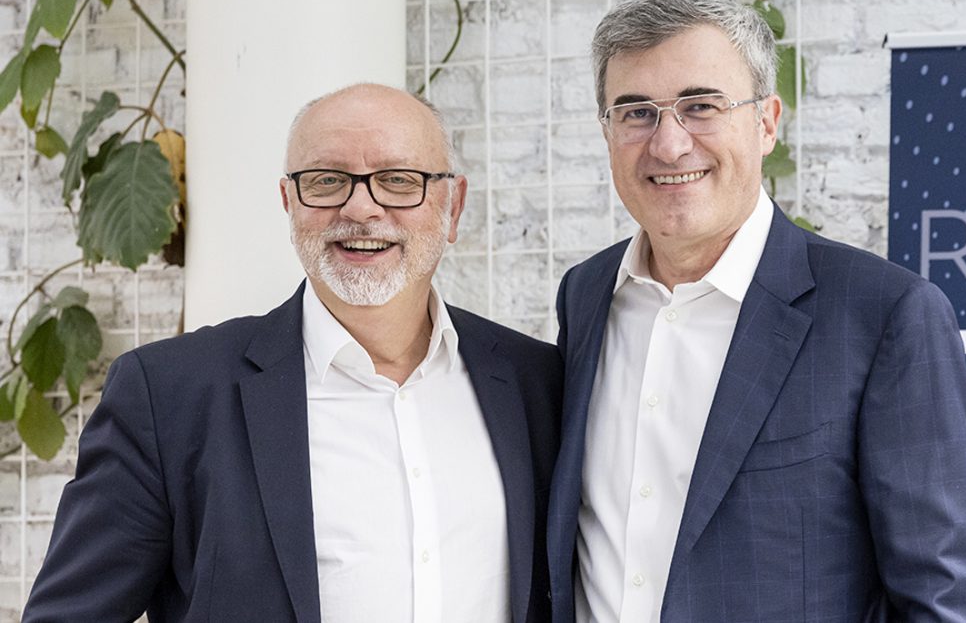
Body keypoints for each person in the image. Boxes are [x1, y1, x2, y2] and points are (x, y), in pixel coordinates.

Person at [24, 84, 562, 622]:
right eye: (327, 180)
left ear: (453, 206)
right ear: (289, 202)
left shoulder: (534, 383)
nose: (361, 207)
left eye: (399, 180)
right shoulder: (168, 395)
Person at [546, 0, 966, 622]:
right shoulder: (586, 296)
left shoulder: (884, 315)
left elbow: (952, 602)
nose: (669, 144)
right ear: (606, 131)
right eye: (637, 112)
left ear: (766, 123)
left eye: (701, 106)